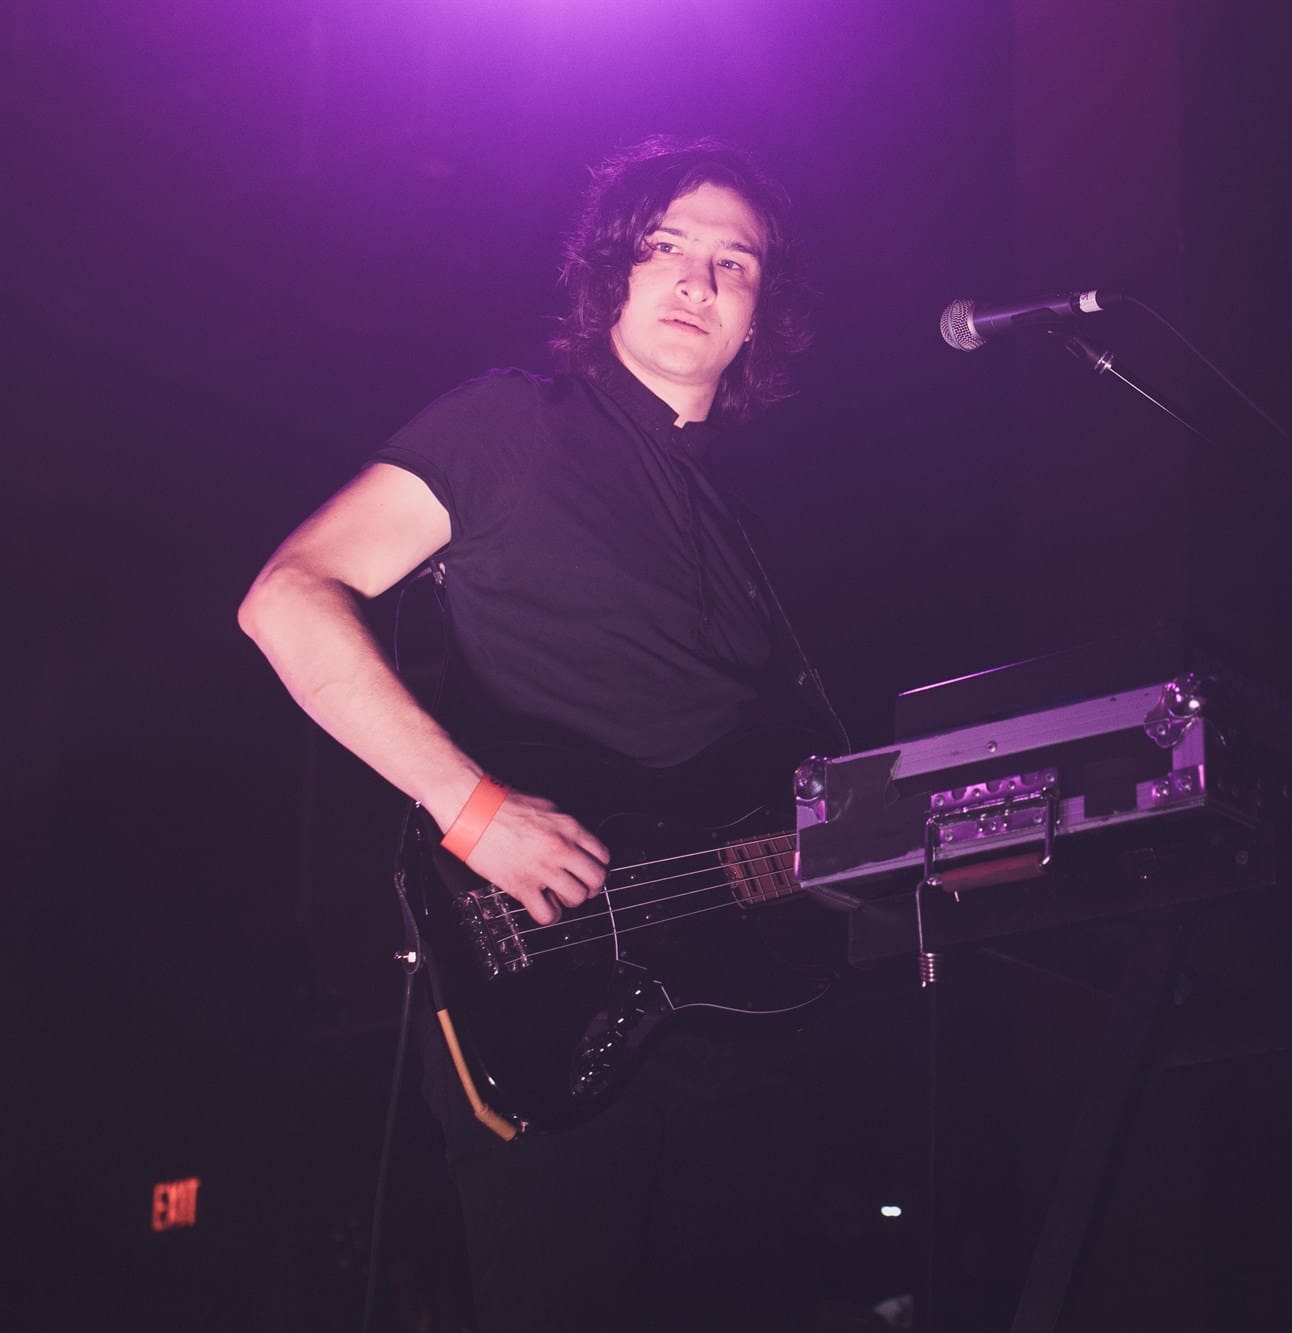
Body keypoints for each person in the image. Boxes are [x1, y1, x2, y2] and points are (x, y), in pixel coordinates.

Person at [239, 136, 848, 1331]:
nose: (697, 278)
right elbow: (289, 596)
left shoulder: (755, 519)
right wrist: (473, 811)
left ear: (758, 319)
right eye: (666, 245)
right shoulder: (511, 426)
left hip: (734, 1005)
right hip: (545, 979)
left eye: (734, 262)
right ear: (611, 269)